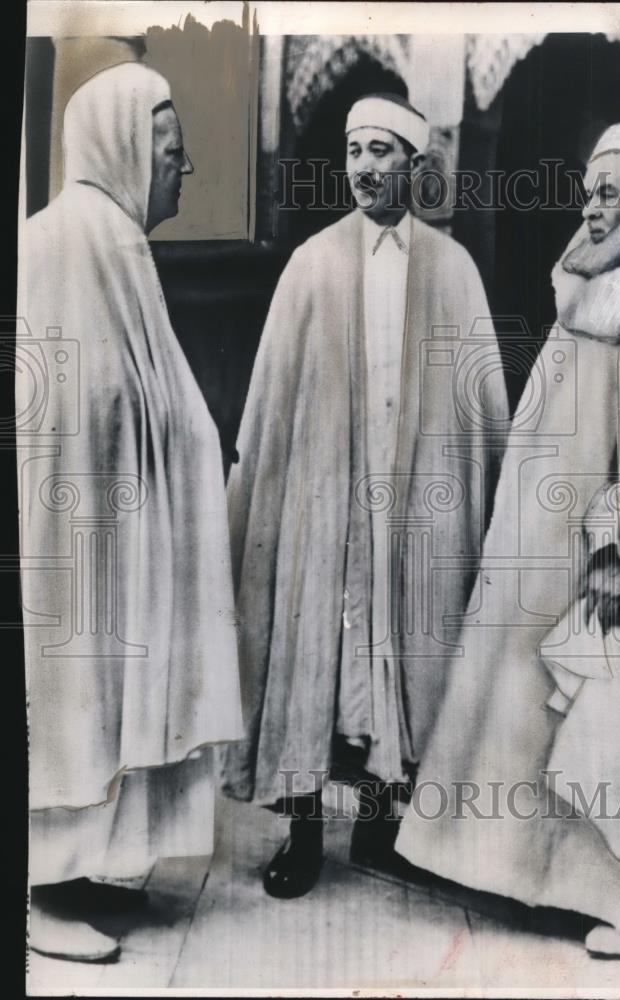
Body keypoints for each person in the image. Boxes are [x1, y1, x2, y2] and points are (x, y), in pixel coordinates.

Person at [395, 123, 620, 956]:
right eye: (587, 193)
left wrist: (612, 547)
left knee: (616, 715)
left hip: (613, 556)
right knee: (530, 708)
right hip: (549, 541)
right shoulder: (592, 283)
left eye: (610, 195)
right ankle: (538, 875)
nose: (591, 211)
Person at [222, 93, 508, 897]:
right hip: (326, 502)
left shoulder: (452, 270)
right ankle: (305, 834)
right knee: (315, 655)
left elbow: (480, 408)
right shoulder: (310, 262)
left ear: (416, 167)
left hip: (417, 506)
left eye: (382, 151)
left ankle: (381, 832)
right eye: (354, 152)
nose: (364, 168)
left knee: (407, 655)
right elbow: (271, 401)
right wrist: (263, 498)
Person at [18, 62, 244, 963]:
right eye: (171, 149)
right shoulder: (75, 241)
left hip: (105, 528)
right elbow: (72, 408)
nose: (182, 170)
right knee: (71, 699)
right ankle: (37, 896)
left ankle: (73, 873)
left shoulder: (103, 237)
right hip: (73, 535)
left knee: (99, 700)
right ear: (120, 141)